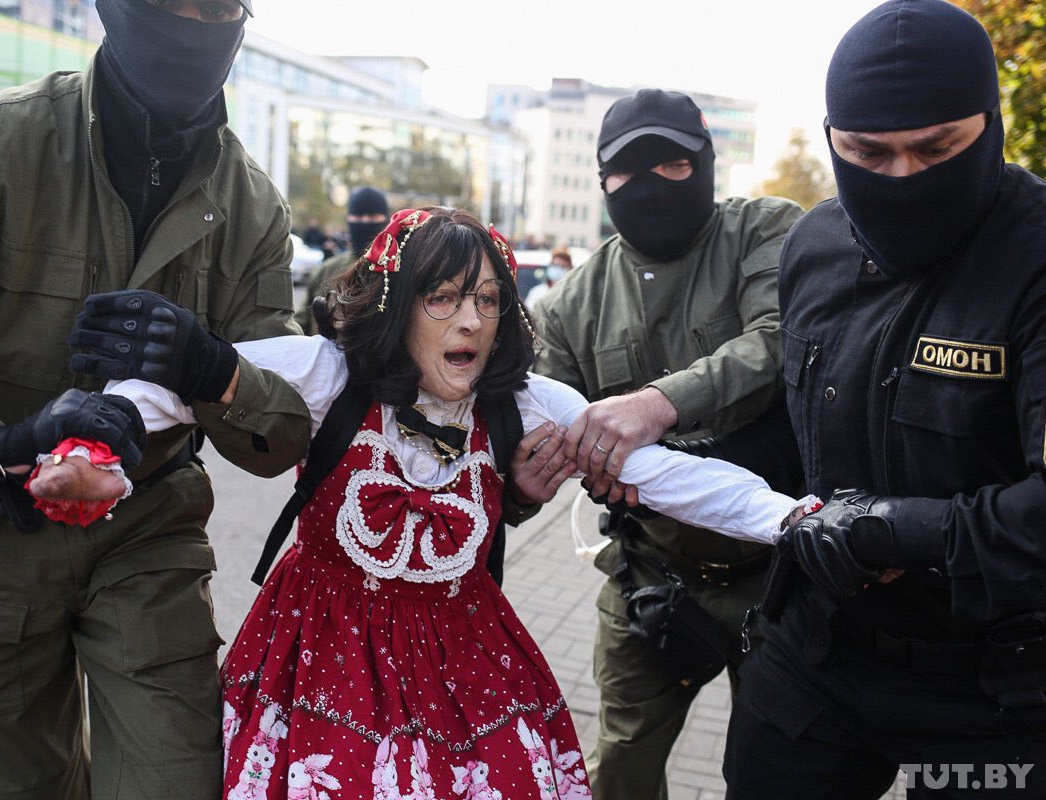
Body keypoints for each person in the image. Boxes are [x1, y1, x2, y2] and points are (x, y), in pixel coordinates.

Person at [61, 206, 810, 799]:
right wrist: (94, 453)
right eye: (442, 297)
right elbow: (180, 384)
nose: (471, 320)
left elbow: (665, 474)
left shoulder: (525, 400)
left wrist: (790, 518)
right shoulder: (329, 374)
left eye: (487, 299)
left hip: (465, 660)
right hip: (320, 647)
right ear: (395, 307)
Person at [0, 0, 312, 797]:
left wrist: (214, 371)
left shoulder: (252, 206)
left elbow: (279, 433)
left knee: (174, 784)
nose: (194, 23)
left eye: (217, 7)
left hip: (146, 536)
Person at [721, 1, 1046, 797]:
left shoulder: (1036, 257)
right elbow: (805, 430)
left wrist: (895, 530)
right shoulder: (814, 245)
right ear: (833, 137)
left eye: (937, 148)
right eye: (868, 152)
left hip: (995, 685)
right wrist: (682, 460)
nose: (902, 178)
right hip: (816, 652)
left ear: (991, 123)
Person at [531, 89, 804, 799]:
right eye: (627, 171)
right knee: (620, 768)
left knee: (779, 771)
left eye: (673, 165)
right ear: (602, 182)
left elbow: (781, 339)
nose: (650, 185)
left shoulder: (765, 229)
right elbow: (546, 430)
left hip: (782, 578)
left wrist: (655, 406)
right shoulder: (568, 306)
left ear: (707, 164)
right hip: (652, 575)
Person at [294, 186, 390, 334]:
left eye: (373, 217)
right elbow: (301, 325)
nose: (365, 222)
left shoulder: (398, 270)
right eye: (358, 217)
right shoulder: (326, 271)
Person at [523, 246, 573, 311]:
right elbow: (528, 314)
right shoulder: (537, 292)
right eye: (555, 265)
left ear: (570, 269)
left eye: (563, 266)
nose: (558, 270)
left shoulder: (572, 295)